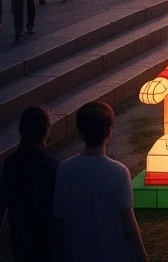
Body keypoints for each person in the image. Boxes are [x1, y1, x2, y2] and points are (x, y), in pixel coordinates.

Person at [53, 101, 148, 262]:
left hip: (77, 255)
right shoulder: (118, 172)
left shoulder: (64, 169)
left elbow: (60, 221)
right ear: (110, 132)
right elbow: (128, 225)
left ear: (80, 133)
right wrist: (142, 258)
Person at [0, 106, 59, 262]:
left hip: (20, 233)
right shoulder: (52, 164)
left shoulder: (11, 163)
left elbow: (2, 201)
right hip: (45, 235)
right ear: (45, 130)